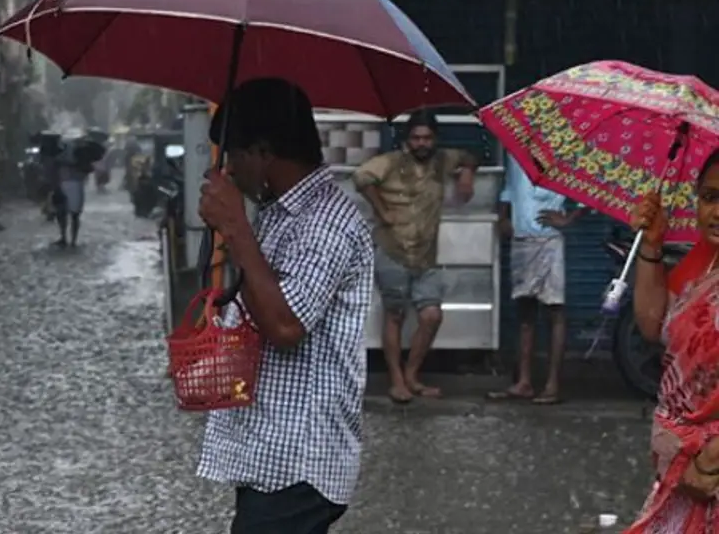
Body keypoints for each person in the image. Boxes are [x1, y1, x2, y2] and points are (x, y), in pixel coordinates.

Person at [195, 78, 372, 533]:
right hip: (272, 452)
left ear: (262, 152)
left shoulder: (327, 223)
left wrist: (236, 227)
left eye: (233, 154)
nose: (229, 169)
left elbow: (287, 326)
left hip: (299, 459)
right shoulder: (279, 213)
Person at [625, 149, 719, 533]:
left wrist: (713, 454)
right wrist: (651, 244)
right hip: (686, 471)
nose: (718, 212)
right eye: (711, 197)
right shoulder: (705, 261)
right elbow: (653, 326)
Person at [354, 110, 476, 404]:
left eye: (427, 138)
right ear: (408, 140)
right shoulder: (392, 162)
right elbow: (360, 176)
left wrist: (467, 175)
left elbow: (469, 156)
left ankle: (412, 375)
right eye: (416, 138)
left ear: (435, 140)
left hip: (425, 256)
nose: (422, 143)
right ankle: (396, 381)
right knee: (394, 315)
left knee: (432, 315)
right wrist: (381, 210)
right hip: (392, 249)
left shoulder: (442, 161)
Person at [487, 153, 582, 405]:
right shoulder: (515, 151)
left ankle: (552, 384)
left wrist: (569, 218)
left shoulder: (562, 153)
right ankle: (524, 382)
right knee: (525, 312)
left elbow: (591, 189)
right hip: (521, 239)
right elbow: (509, 187)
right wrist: (503, 217)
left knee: (555, 311)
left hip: (549, 240)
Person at [54, 139, 87, 247]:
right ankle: (69, 239)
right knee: (68, 214)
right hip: (69, 184)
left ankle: (68, 238)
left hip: (70, 184)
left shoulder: (80, 157)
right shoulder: (60, 157)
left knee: (69, 214)